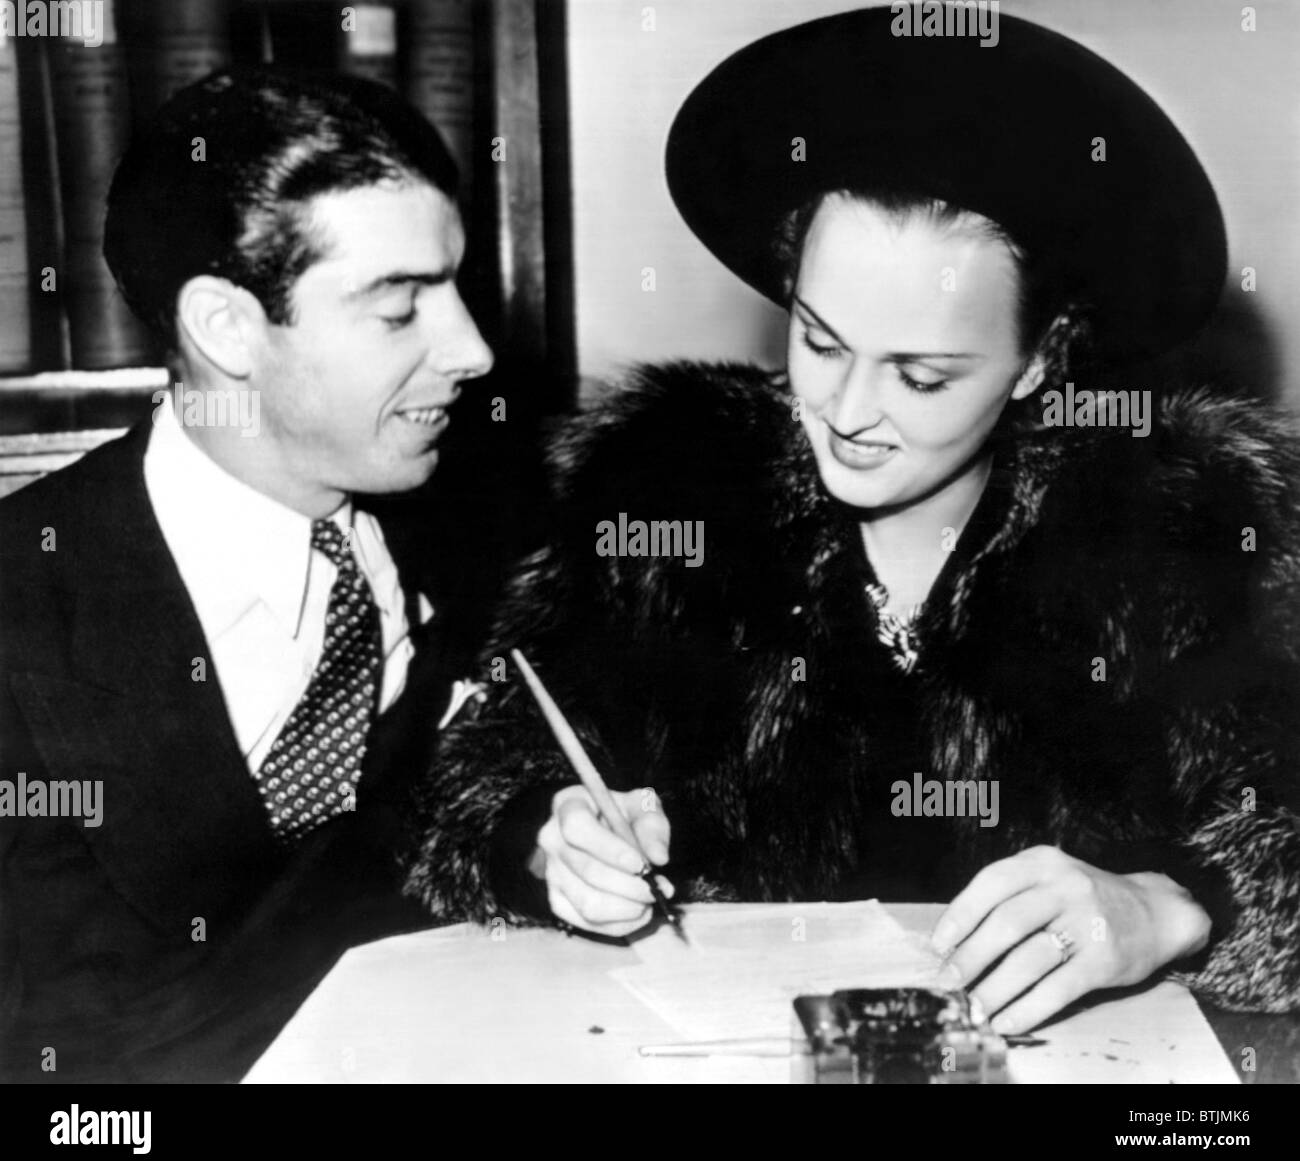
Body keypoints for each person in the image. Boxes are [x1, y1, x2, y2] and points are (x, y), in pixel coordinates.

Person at [405, 8, 1300, 1035]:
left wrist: (1173, 905)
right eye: (819, 341)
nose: (845, 411)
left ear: (1041, 361)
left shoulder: (1183, 532)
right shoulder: (668, 494)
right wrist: (541, 836)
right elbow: (477, 772)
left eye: (920, 375)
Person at [0, 68, 494, 1081]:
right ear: (226, 328)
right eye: (400, 310)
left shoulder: (489, 531)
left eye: (457, 289)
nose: (474, 350)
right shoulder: (24, 604)